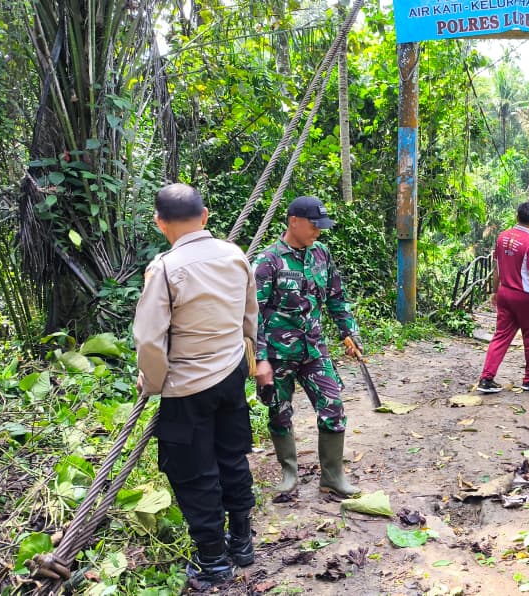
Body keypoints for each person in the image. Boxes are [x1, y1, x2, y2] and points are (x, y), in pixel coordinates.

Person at [133, 183, 258, 588]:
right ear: (205, 216)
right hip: (231, 376)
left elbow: (150, 340)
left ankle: (213, 561)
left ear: (159, 222)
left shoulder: (165, 268)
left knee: (193, 472)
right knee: (232, 457)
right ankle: (242, 542)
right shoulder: (236, 255)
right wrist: (245, 360)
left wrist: (150, 383)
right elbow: (249, 317)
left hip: (187, 389)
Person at [253, 195, 363, 498]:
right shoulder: (268, 261)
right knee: (279, 412)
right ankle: (289, 475)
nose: (319, 231)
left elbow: (336, 297)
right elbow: (252, 315)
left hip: (314, 350)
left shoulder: (321, 254)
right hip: (278, 355)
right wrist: (260, 360)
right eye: (314, 226)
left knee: (333, 407)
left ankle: (332, 477)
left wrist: (348, 332)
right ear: (293, 222)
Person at [477, 201, 529, 393]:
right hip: (525, 297)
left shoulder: (502, 237)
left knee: (501, 336)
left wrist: (494, 292)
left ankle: (486, 379)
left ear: (516, 217)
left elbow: (496, 268)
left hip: (504, 293)